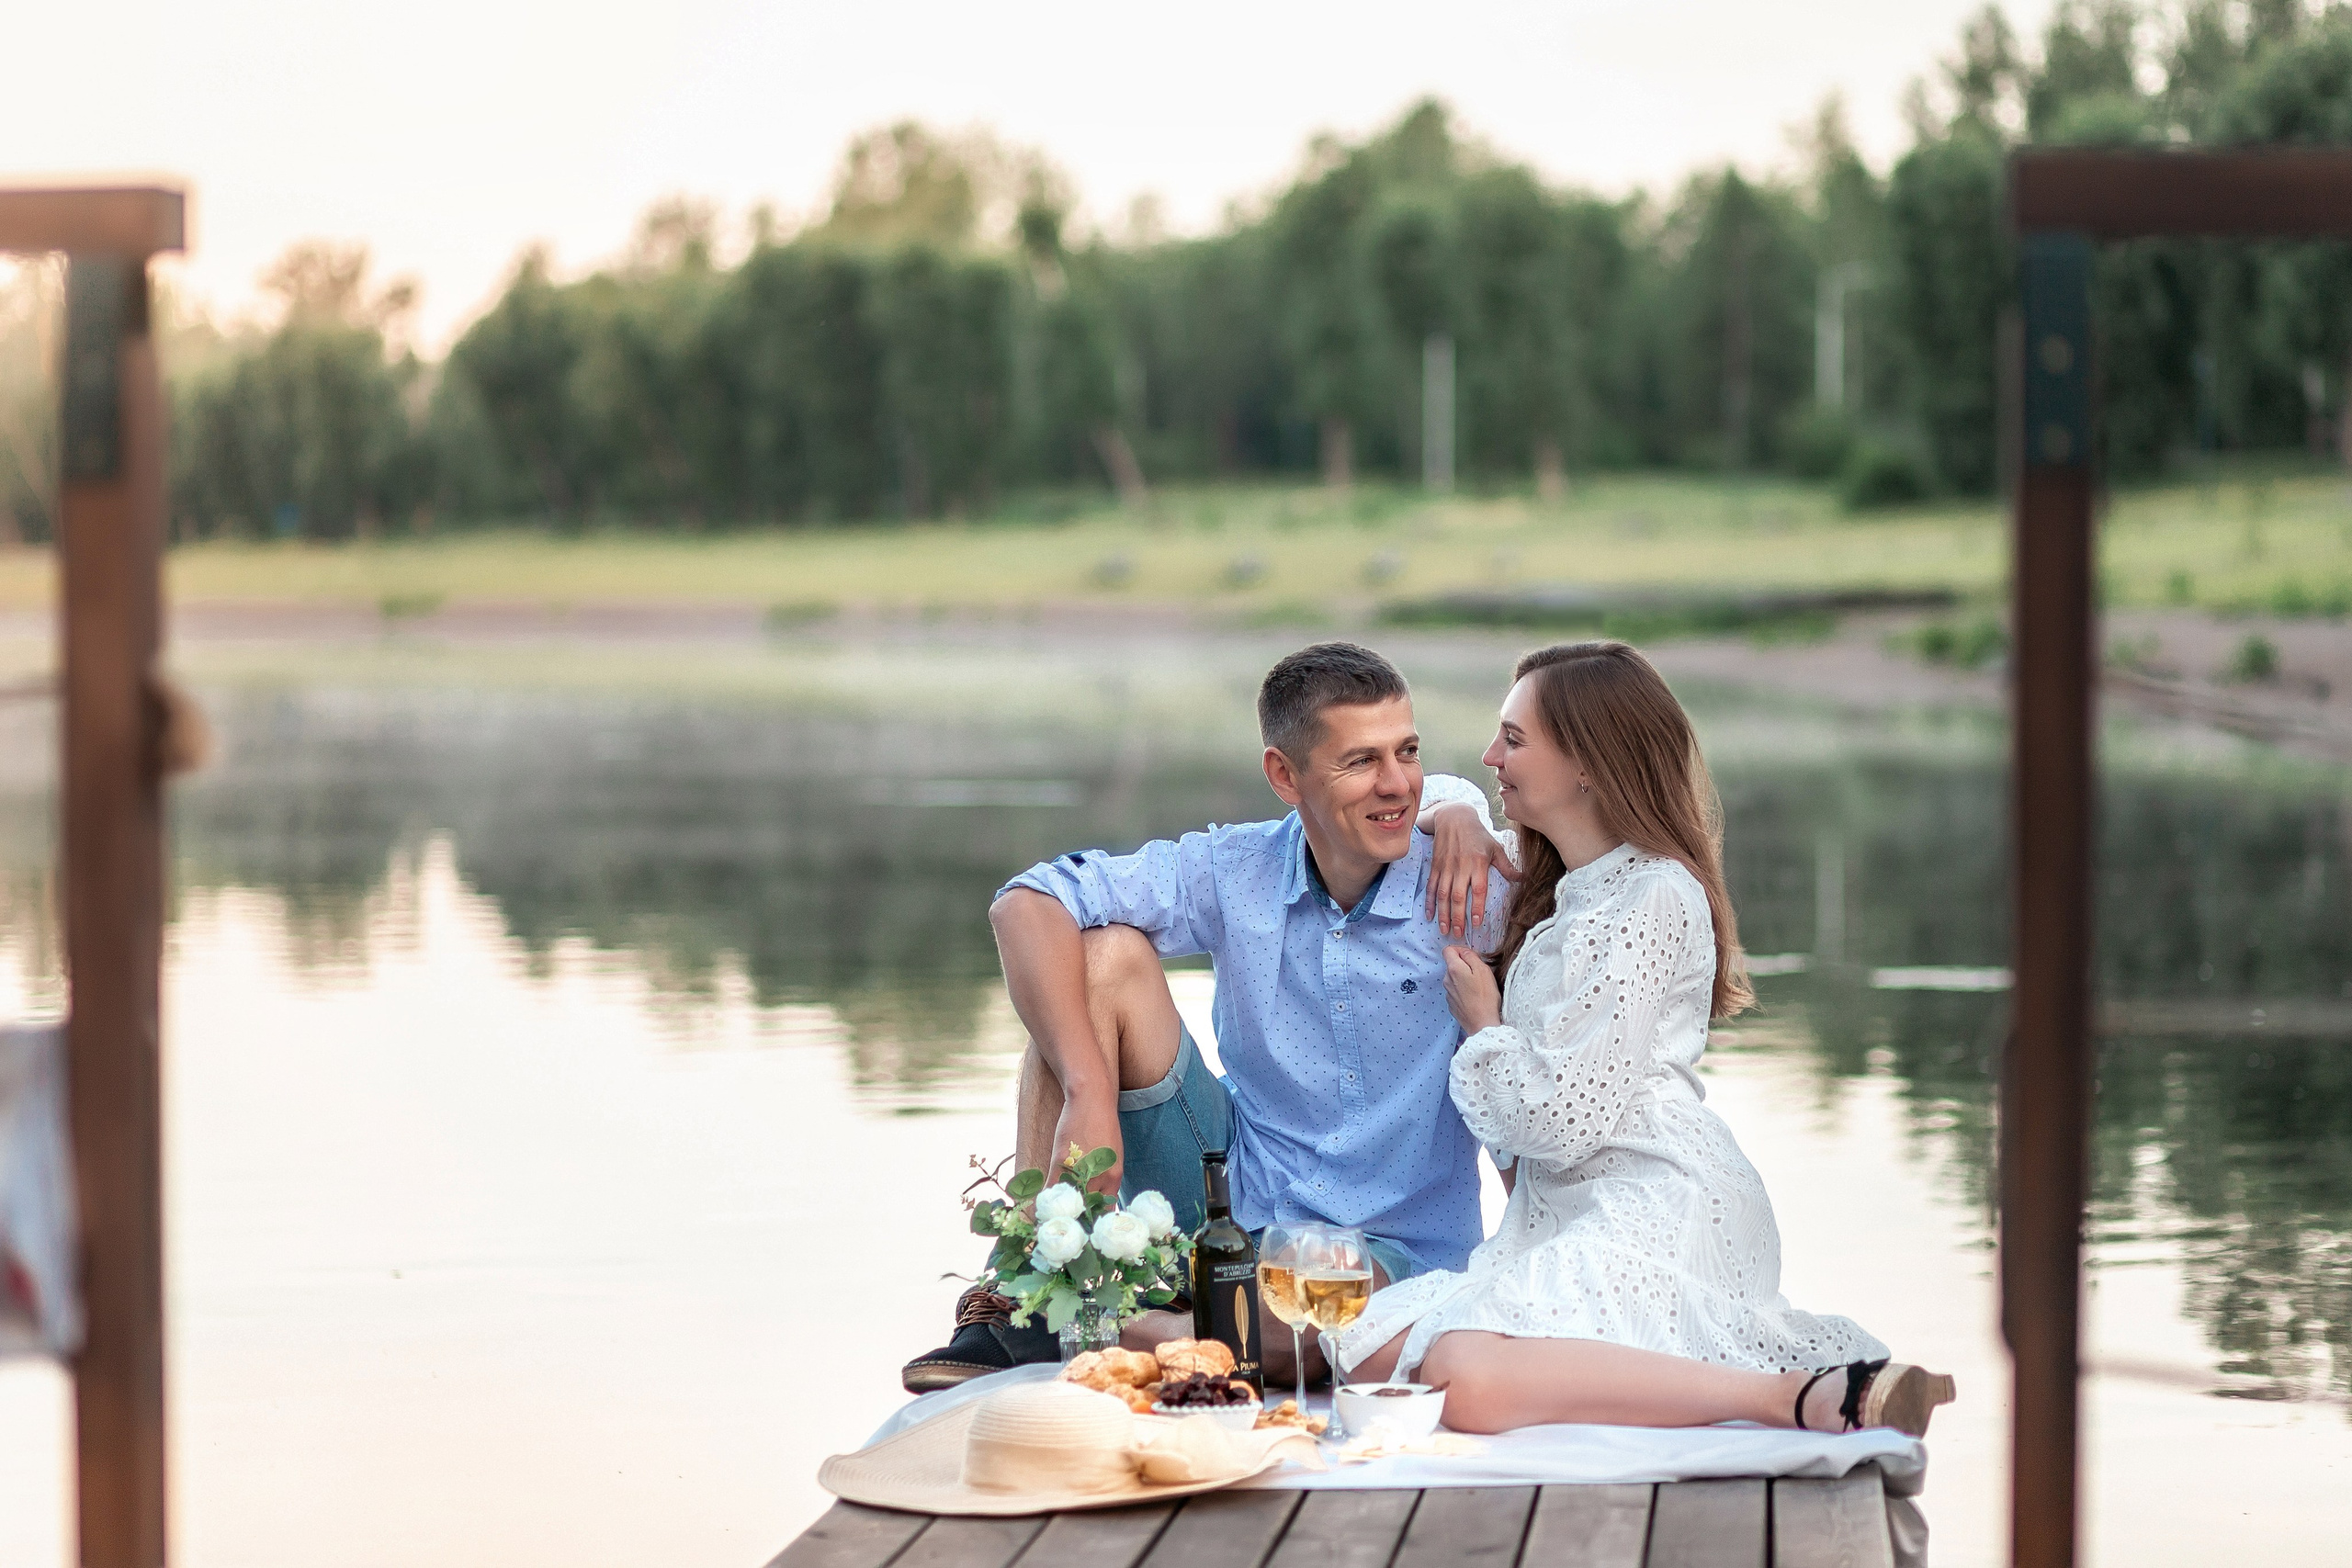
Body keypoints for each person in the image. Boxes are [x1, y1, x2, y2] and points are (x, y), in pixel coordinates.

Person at [1328, 640, 1957, 1438]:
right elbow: (1430, 788)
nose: (1491, 755)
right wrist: (1455, 809)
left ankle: (1797, 1391)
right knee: (1369, 1350)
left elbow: (1561, 1124)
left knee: (1467, 1380)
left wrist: (1483, 1025)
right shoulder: (1557, 884)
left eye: (1513, 740)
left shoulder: (1655, 893)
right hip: (1562, 1210)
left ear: (1588, 762)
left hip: (1656, 1198)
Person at [902, 642, 1515, 1393]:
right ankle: (1030, 1275)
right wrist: (1090, 1095)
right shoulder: (1235, 868)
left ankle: (1097, 1314)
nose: (1397, 785)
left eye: (1408, 751)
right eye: (1360, 762)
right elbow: (1027, 898)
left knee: (1301, 1331)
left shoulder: (1470, 887)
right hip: (1233, 1189)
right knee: (1101, 956)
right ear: (1284, 775)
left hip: (1391, 1242)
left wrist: (1462, 804)